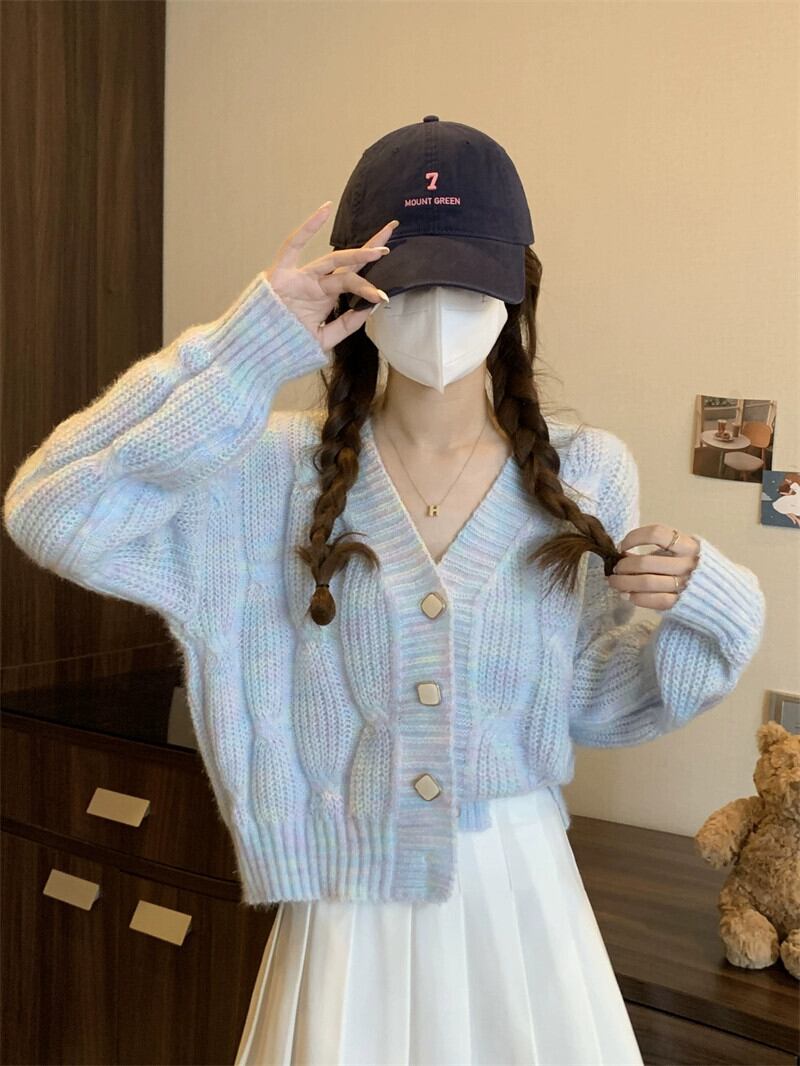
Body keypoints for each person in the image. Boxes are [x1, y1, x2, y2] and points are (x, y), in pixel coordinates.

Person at [3, 118, 765, 1065]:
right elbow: (53, 511)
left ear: (515, 290)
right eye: (409, 279)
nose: (439, 309)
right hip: (345, 896)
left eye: (467, 279)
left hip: (517, 895)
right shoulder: (266, 470)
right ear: (353, 288)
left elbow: (599, 703)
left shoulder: (586, 471)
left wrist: (709, 598)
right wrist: (244, 349)